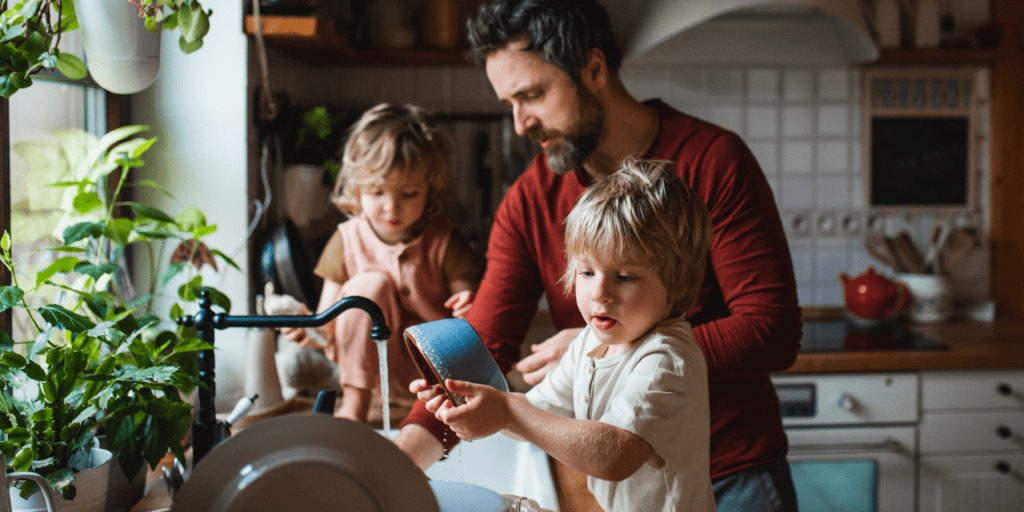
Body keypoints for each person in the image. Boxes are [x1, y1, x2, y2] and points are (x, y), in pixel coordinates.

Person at [395, 1, 803, 508]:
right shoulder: (530, 199)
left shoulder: (712, 161)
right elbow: (480, 350)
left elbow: (771, 328)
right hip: (619, 491)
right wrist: (395, 465)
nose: (521, 123)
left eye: (534, 95)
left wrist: (613, 348)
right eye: (510, 103)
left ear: (593, 69)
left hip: (733, 472)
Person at [421, 158, 717, 512]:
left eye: (625, 277)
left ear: (678, 281)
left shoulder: (666, 358)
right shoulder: (591, 343)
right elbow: (534, 415)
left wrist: (507, 413)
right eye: (587, 272)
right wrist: (475, 404)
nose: (599, 293)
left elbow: (614, 455)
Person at [282, 102, 478, 423]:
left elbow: (471, 308)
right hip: (371, 375)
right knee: (367, 286)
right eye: (377, 192)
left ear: (431, 188)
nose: (391, 208)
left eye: (409, 194)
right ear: (357, 190)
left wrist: (469, 306)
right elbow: (327, 321)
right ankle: (354, 405)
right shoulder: (346, 239)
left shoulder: (444, 238)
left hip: (435, 374)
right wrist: (310, 326)